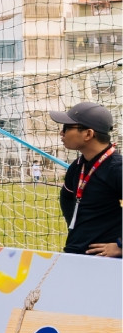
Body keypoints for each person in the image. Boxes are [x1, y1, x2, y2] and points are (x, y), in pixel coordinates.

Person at [51, 101, 118, 257]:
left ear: (88, 134)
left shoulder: (116, 168)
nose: (62, 133)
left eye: (67, 128)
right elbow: (67, 197)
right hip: (77, 253)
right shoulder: (78, 165)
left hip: (107, 261)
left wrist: (120, 245)